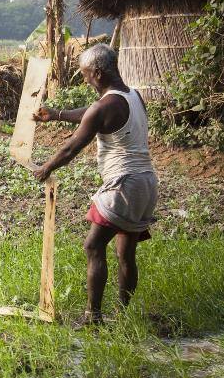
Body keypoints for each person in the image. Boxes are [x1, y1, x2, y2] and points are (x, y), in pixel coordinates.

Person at [32, 44, 158, 327]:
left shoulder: (104, 106)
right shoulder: (132, 95)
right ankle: (123, 314)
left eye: (86, 74)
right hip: (146, 183)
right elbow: (92, 113)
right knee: (126, 252)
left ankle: (93, 317)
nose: (85, 79)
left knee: (93, 246)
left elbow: (70, 149)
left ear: (98, 73)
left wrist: (46, 168)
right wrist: (57, 114)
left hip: (123, 184)